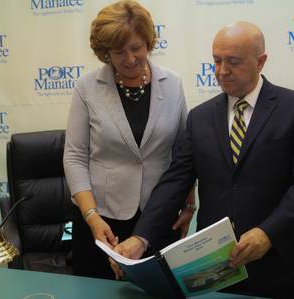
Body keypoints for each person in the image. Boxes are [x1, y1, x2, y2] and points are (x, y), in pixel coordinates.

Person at [112, 21, 294, 298]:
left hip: (275, 263)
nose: (222, 71)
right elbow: (175, 182)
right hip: (212, 267)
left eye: (233, 62)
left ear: (260, 62)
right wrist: (140, 238)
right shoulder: (200, 118)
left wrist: (267, 233)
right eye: (216, 61)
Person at [63, 0, 195, 280]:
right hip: (102, 218)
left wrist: (189, 203)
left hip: (159, 214)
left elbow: (183, 153)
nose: (130, 58)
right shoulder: (86, 88)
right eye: (118, 52)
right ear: (105, 53)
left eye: (136, 48)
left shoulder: (172, 84)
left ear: (148, 42)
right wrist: (91, 217)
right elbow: (74, 156)